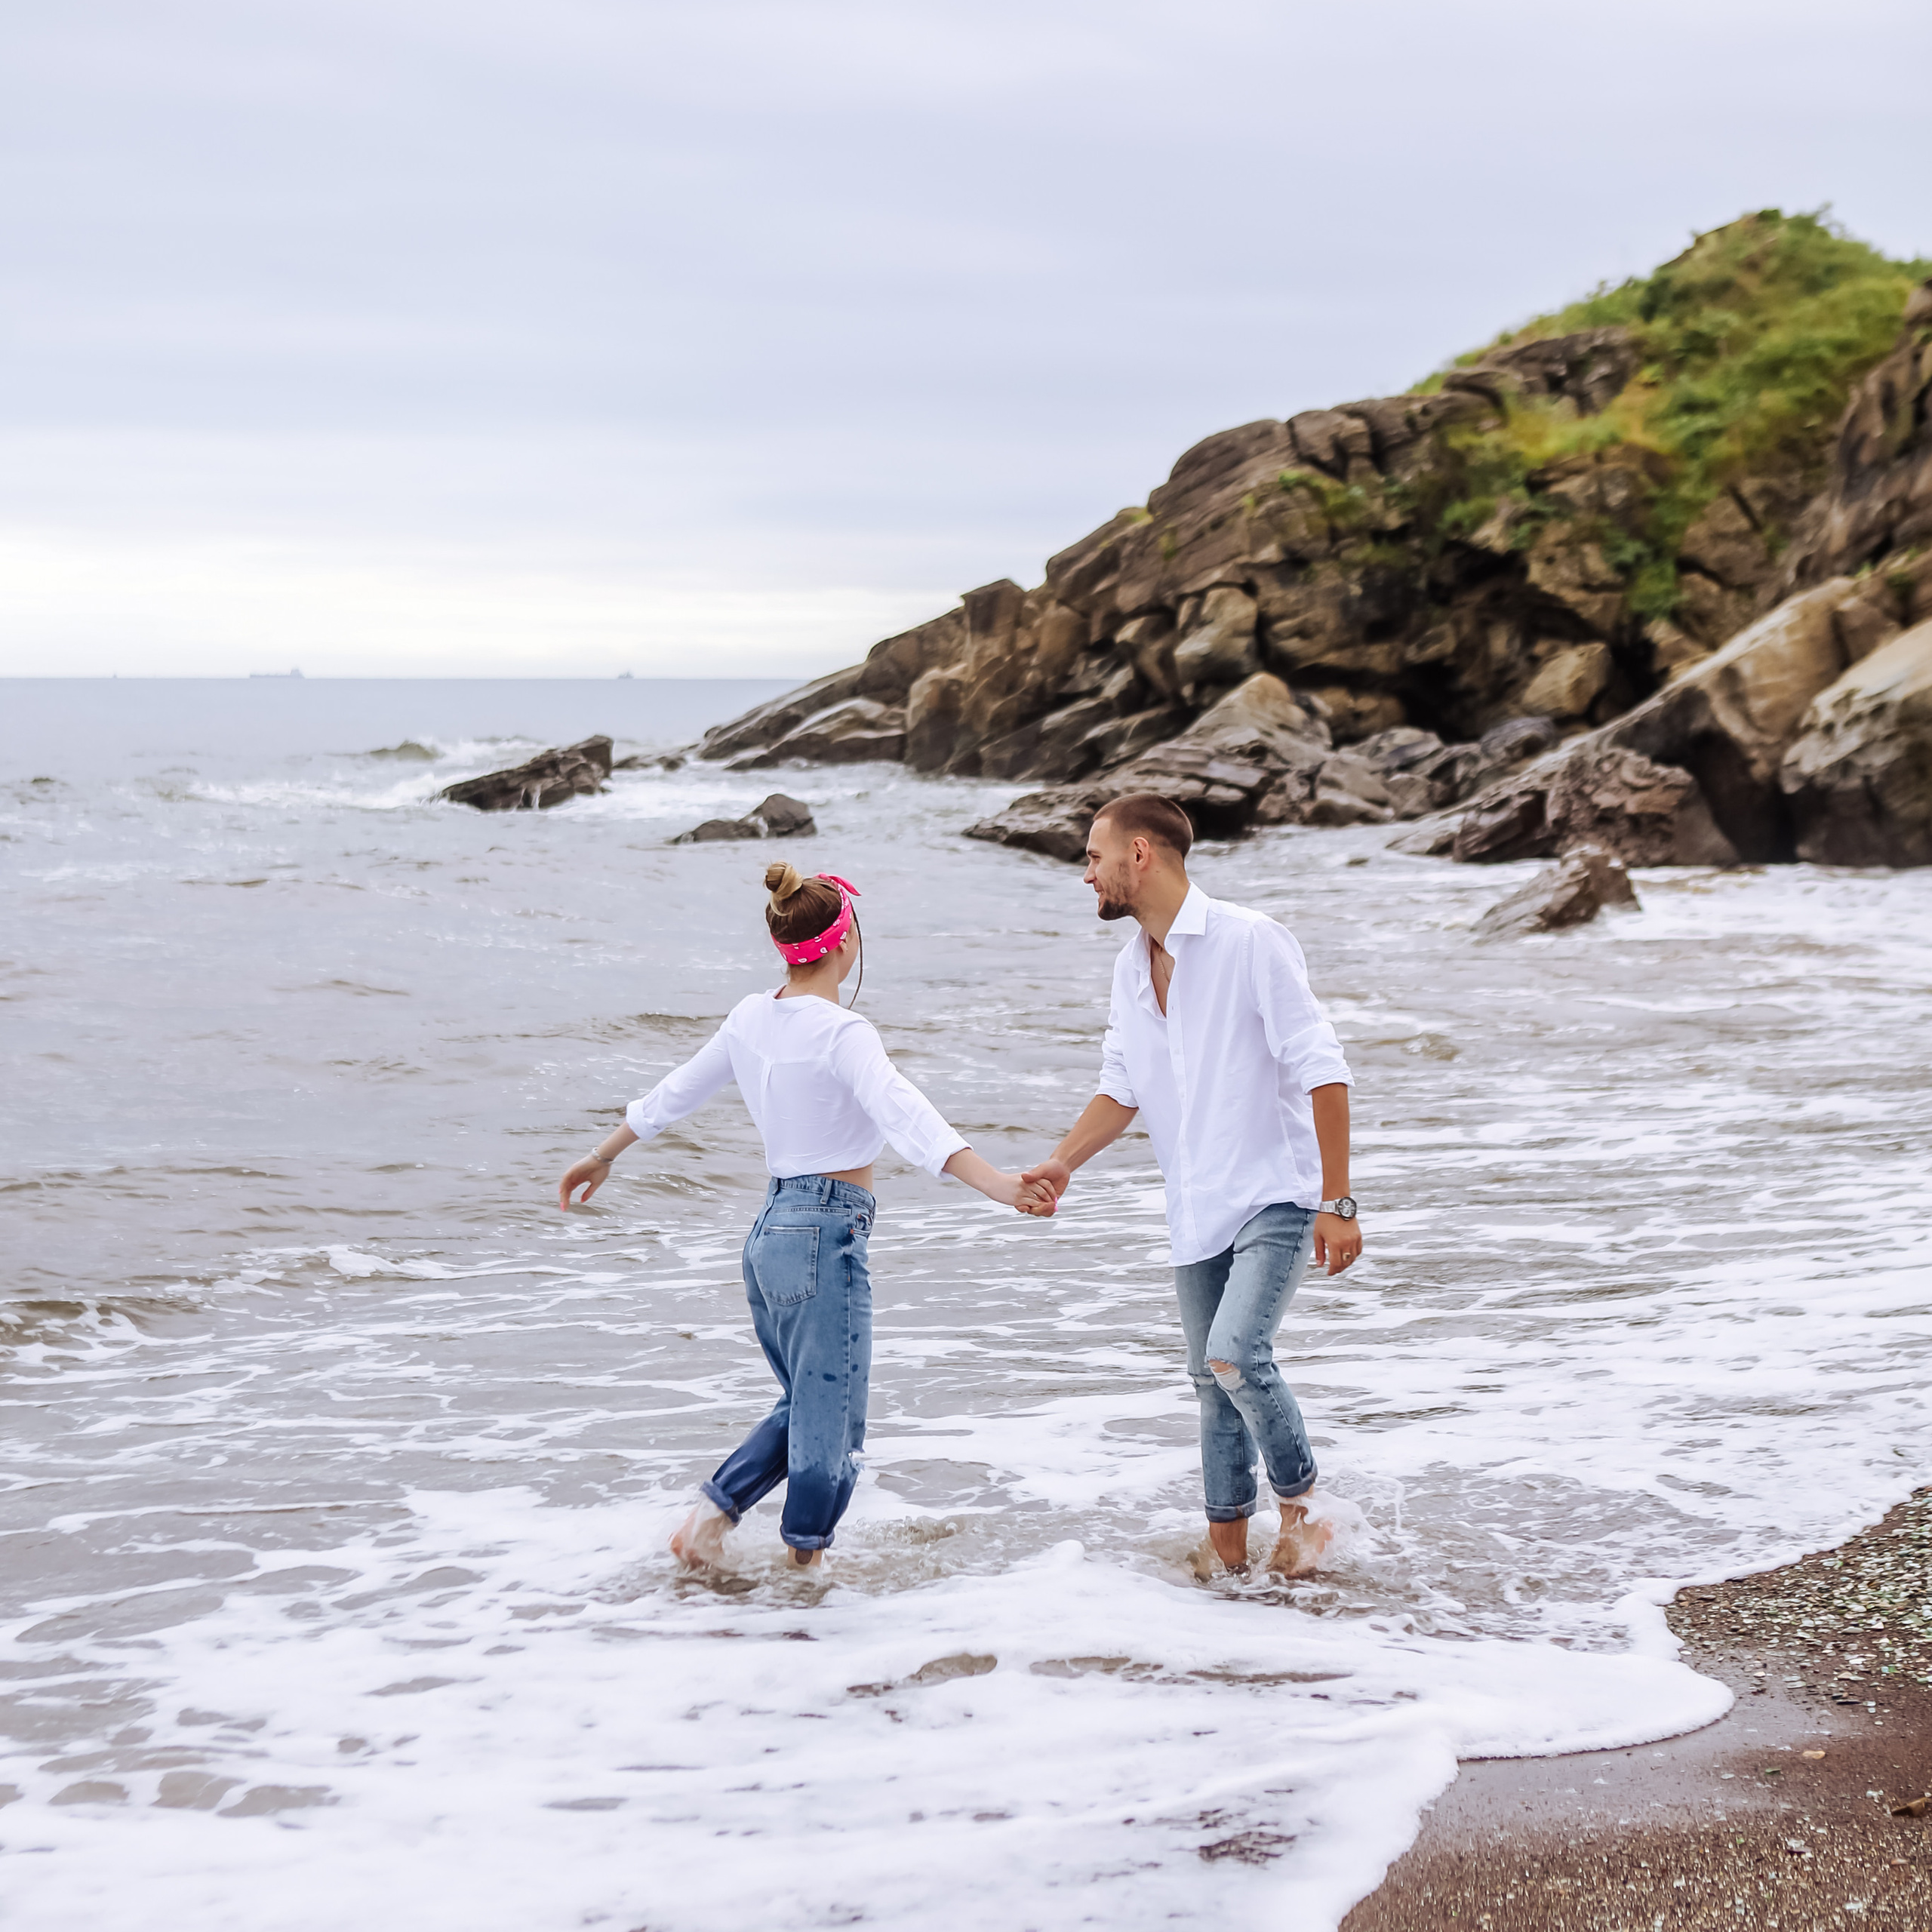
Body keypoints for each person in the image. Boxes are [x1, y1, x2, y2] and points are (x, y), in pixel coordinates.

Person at [557, 863, 1035, 1572]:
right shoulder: (845, 1032)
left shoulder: (750, 1017)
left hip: (771, 1234)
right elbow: (906, 1113)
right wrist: (996, 1183)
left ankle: (721, 1526)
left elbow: (676, 1092)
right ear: (845, 943)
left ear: (784, 946)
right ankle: (799, 1567)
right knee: (831, 1415)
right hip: (824, 1231)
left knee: (809, 1403)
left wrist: (603, 1154)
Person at [1016, 794, 1361, 1578]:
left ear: (1139, 854)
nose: (1087, 875)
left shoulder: (1250, 941)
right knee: (1209, 1383)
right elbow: (1121, 1087)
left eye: (1094, 857)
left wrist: (1337, 1202)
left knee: (1236, 1356)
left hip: (1275, 1192)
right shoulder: (1129, 968)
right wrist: (1065, 1161)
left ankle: (1306, 1510)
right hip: (1195, 1204)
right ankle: (1229, 1559)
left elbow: (1323, 1067)